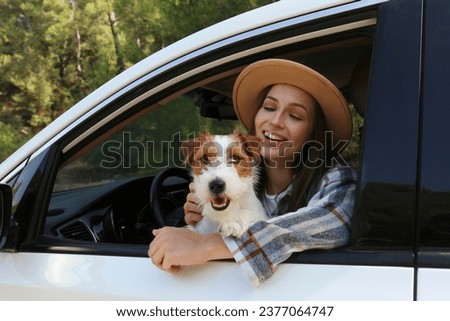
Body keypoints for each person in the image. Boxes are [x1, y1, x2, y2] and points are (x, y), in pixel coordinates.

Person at [148, 59, 356, 286]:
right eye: (269, 107)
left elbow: (332, 223)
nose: (275, 121)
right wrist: (206, 216)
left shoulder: (339, 179)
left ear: (312, 134)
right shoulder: (237, 178)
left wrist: (206, 244)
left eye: (295, 116)